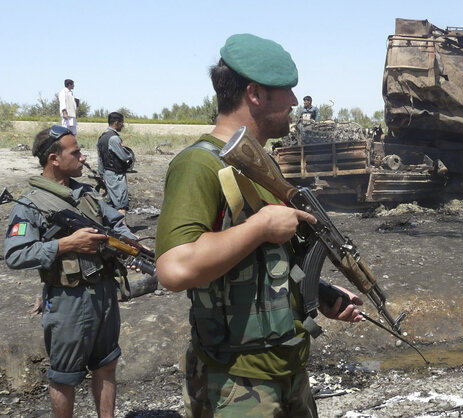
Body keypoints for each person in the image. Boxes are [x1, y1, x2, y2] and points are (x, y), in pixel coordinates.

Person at [155, 33, 362, 417]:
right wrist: (260, 227)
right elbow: (174, 268)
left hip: (287, 368)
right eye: (287, 91)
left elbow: (267, 262)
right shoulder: (198, 166)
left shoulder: (260, 166)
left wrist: (320, 292)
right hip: (234, 381)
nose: (296, 103)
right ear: (255, 93)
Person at [4, 125, 136, 418]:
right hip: (67, 300)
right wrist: (65, 244)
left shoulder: (86, 193)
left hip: (103, 292)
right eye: (75, 152)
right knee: (65, 376)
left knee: (107, 364)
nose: (82, 156)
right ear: (53, 159)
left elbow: (115, 222)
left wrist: (127, 241)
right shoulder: (29, 204)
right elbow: (15, 254)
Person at [96, 112, 135, 222]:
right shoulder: (114, 139)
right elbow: (124, 156)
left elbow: (100, 159)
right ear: (117, 123)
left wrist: (102, 175)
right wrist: (130, 155)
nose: (123, 125)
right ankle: (125, 232)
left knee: (111, 203)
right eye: (122, 123)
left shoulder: (101, 138)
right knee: (121, 204)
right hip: (116, 175)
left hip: (107, 175)